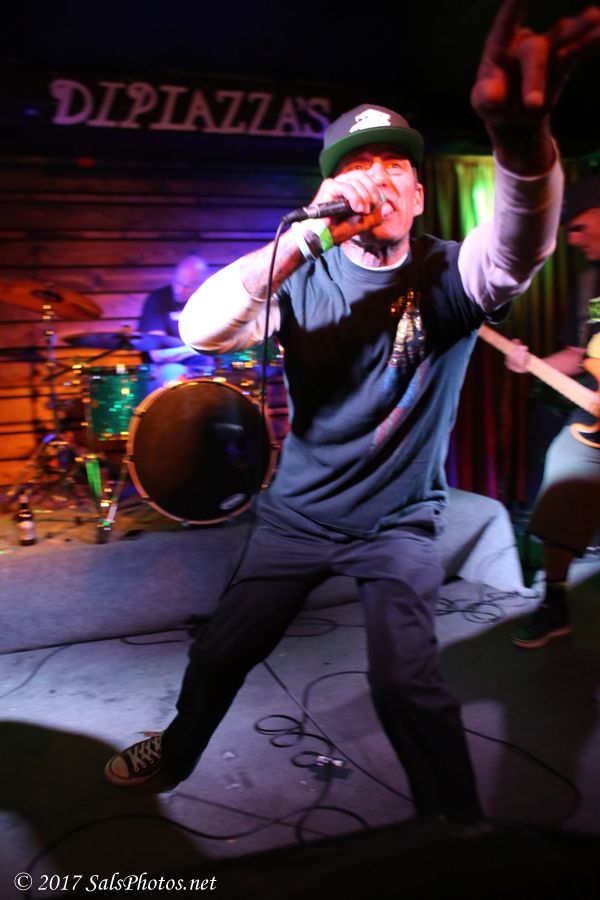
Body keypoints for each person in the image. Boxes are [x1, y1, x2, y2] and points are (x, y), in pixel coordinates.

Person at [104, 1, 600, 826]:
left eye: (394, 165)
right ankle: (179, 747)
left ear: (419, 191)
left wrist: (520, 146)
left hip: (400, 521)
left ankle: (459, 824)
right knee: (223, 649)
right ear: (330, 187)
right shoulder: (301, 268)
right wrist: (310, 235)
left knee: (406, 682)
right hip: (299, 513)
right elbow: (200, 330)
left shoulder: (450, 273)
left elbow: (518, 250)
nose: (377, 179)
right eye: (357, 165)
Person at [507, 174, 600, 649]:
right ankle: (555, 602)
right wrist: (531, 364)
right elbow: (579, 353)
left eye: (580, 226)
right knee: (561, 471)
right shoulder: (589, 281)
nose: (573, 239)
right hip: (594, 415)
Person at [138, 254, 214, 385]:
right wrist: (195, 350)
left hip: (202, 366)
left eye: (187, 286)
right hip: (166, 369)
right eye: (177, 282)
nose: (179, 290)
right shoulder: (158, 299)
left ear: (201, 285)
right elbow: (157, 355)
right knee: (174, 372)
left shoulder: (208, 302)